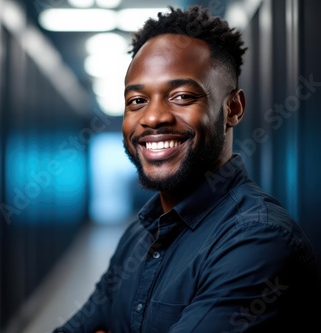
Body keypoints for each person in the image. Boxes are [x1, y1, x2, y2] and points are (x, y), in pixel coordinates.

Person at [53, 5, 321, 333]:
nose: (152, 118)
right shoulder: (140, 234)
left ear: (232, 108)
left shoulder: (258, 239)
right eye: (136, 101)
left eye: (181, 96)